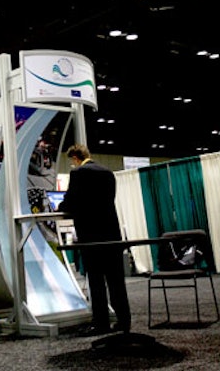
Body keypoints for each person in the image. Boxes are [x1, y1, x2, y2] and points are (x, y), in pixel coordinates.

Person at [58, 143, 131, 336]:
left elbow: (71, 201)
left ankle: (101, 323)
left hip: (91, 235)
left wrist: (60, 208)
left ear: (75, 159)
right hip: (112, 234)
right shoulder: (108, 172)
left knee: (96, 282)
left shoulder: (79, 174)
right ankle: (124, 322)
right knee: (116, 281)